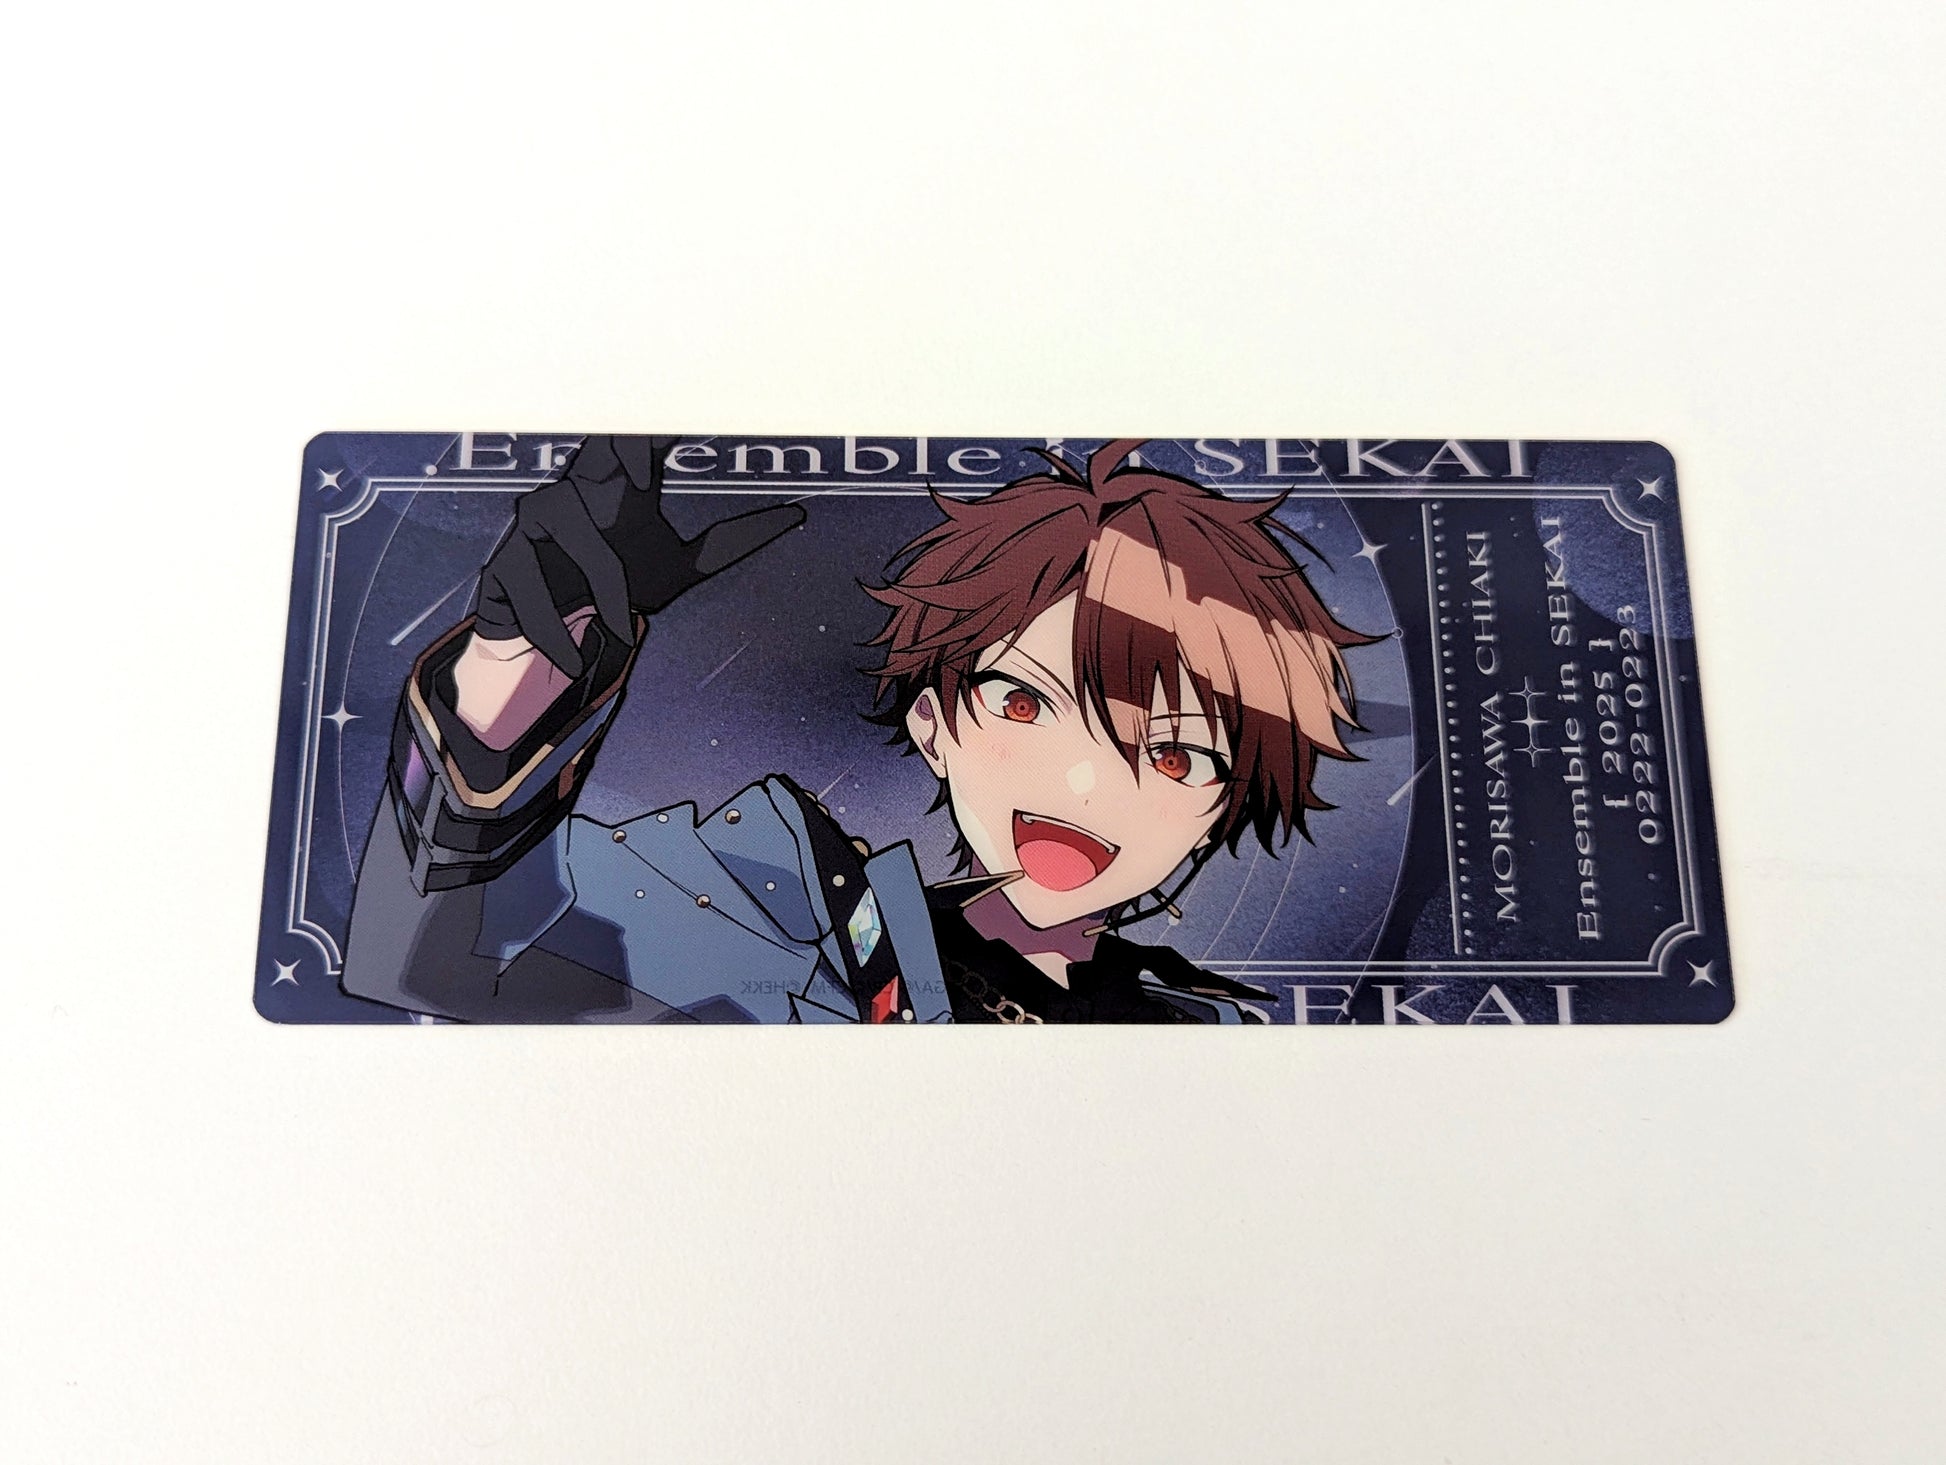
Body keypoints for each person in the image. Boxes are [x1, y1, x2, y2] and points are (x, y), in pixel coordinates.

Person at [341, 436, 1373, 1023]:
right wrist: (518, 664)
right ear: (934, 720)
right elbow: (439, 960)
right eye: (1025, 703)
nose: (1084, 788)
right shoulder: (783, 898)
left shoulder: (1207, 1029)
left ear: (1222, 805)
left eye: (1175, 752)